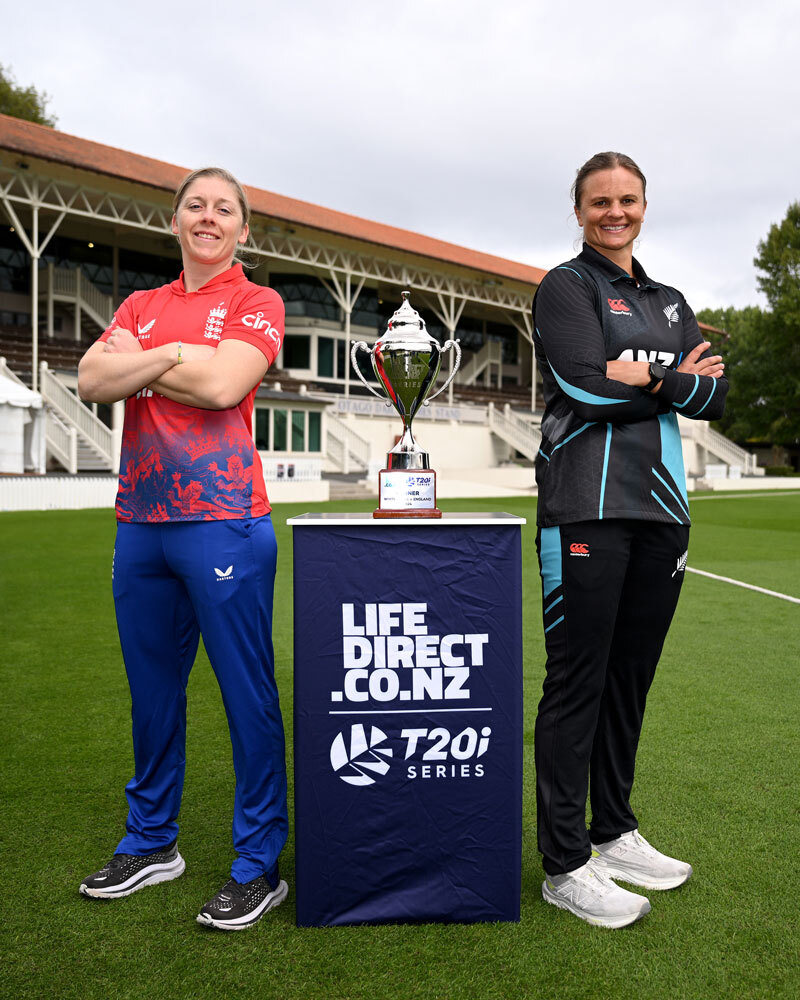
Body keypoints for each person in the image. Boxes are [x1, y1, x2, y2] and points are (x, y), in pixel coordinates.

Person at [76, 167, 288, 931]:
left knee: (246, 698)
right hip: (141, 525)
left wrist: (151, 360)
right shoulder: (140, 303)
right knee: (153, 697)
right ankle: (151, 842)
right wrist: (175, 354)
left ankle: (258, 864)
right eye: (195, 205)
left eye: (222, 209)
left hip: (224, 522)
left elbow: (225, 387)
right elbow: (92, 379)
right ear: (175, 222)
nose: (208, 217)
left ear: (241, 229)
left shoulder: (255, 301)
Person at [531, 152, 727, 928]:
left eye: (628, 200)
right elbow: (582, 383)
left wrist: (643, 374)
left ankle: (612, 831)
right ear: (579, 210)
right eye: (600, 201)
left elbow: (711, 392)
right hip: (586, 507)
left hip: (663, 511)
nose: (615, 212)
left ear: (644, 205)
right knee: (578, 683)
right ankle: (564, 862)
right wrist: (665, 377)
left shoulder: (672, 302)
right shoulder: (566, 286)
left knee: (629, 682)